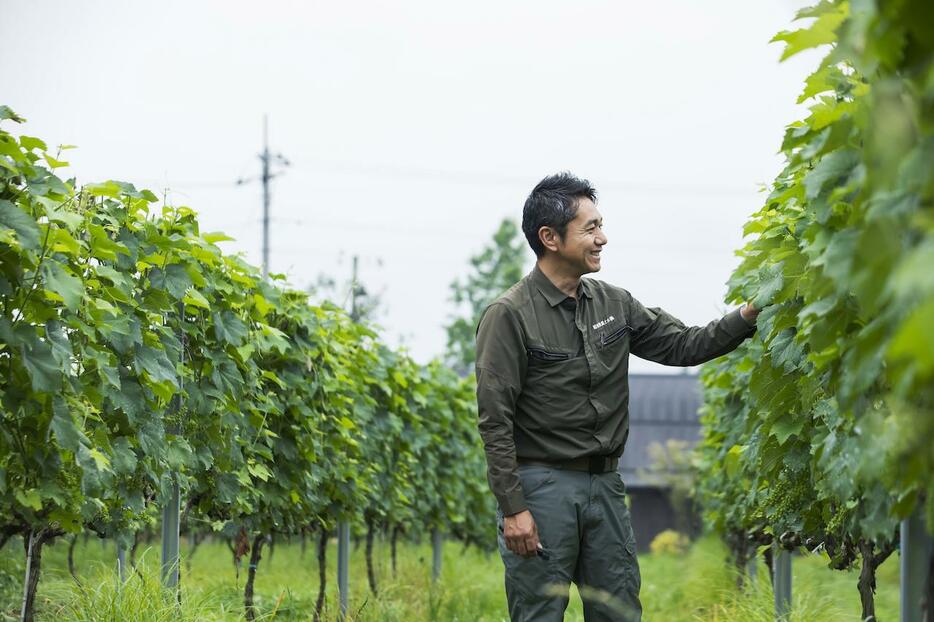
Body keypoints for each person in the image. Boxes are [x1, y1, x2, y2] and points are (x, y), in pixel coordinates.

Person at [475, 172, 760, 622]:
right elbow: (494, 421)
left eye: (600, 224)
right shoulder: (509, 315)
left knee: (619, 612)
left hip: (606, 486)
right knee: (539, 614)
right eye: (590, 228)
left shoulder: (614, 303)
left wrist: (748, 315)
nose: (602, 237)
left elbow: (684, 344)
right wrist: (515, 510)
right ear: (549, 237)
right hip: (542, 488)